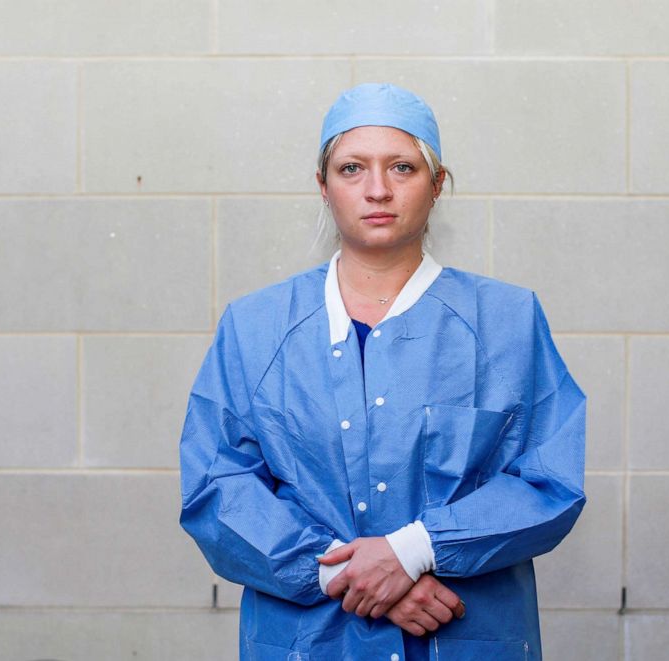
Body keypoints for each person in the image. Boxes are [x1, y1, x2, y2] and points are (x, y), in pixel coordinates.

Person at [180, 83, 586, 660]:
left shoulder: (506, 322)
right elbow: (216, 484)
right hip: (308, 641)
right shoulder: (255, 327)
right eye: (351, 169)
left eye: (402, 167)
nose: (377, 190)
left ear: (437, 183)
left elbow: (550, 480)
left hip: (463, 639)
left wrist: (416, 550)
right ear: (323, 186)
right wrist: (343, 575)